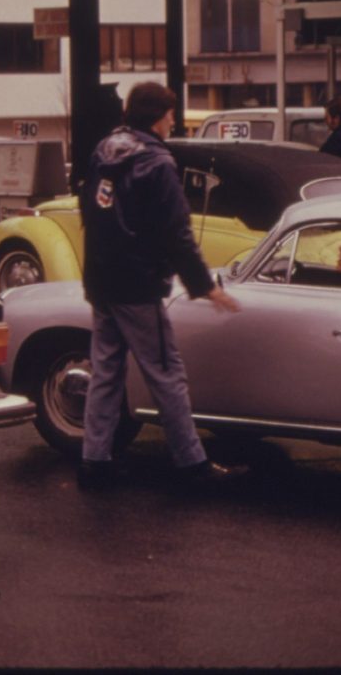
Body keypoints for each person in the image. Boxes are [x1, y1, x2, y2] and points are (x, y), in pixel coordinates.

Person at [78, 82, 244, 490]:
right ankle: (191, 464)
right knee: (166, 372)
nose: (173, 121)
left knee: (105, 372)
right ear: (157, 116)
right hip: (138, 284)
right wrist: (205, 286)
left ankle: (94, 460)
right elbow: (176, 232)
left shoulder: (104, 151)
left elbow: (88, 211)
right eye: (170, 114)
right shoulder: (157, 163)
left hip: (102, 280)